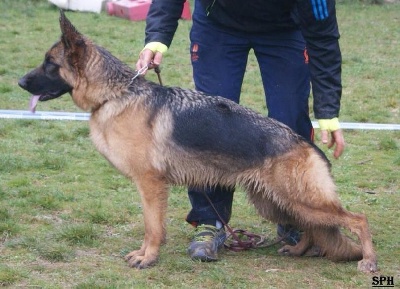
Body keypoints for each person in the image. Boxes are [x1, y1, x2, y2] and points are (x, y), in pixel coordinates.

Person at [136, 0, 345, 262]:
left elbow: (323, 37)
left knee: (290, 119)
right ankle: (209, 220)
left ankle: (294, 219)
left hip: (285, 29)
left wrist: (328, 112)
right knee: (209, 123)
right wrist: (156, 38)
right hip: (218, 25)